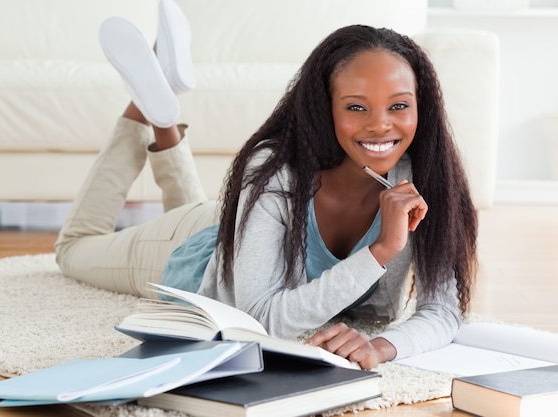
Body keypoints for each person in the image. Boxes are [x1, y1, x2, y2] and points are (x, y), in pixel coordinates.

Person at [55, 0, 478, 370]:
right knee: (73, 248)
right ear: (324, 108)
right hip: (202, 248)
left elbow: (443, 311)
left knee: (210, 210)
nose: (380, 124)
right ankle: (144, 107)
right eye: (355, 107)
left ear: (422, 106)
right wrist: (381, 250)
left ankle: (164, 113)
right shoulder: (277, 171)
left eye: (399, 105)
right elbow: (261, 317)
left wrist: (384, 346)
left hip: (244, 221)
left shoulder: (422, 179)